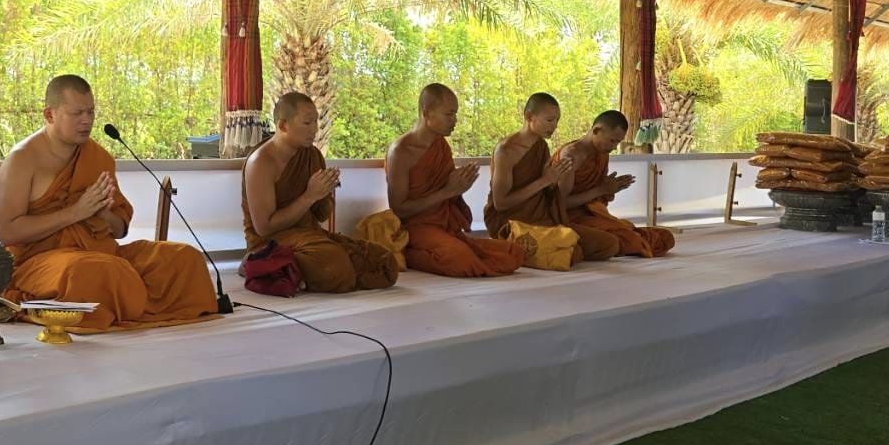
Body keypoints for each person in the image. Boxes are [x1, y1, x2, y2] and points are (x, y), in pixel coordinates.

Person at [0, 75, 218, 332]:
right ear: (49, 114)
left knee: (183, 258)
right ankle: (126, 302)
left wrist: (102, 213)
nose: (87, 120)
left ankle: (127, 304)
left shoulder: (98, 157)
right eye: (77, 113)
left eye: (91, 111)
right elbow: (8, 232)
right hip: (39, 262)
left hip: (104, 253)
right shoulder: (23, 160)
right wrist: (75, 213)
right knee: (95, 271)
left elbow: (120, 228)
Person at [241, 93, 397, 293]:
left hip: (309, 236)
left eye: (316, 121)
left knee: (385, 263)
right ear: (283, 126)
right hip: (270, 242)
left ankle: (288, 271)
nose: (315, 129)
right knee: (334, 265)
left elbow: (321, 215)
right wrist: (309, 196)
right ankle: (260, 263)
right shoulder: (261, 163)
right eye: (307, 122)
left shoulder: (311, 155)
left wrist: (326, 191)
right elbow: (264, 228)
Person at [384, 84, 524, 277]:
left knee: (514, 252)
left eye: (455, 114)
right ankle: (407, 251)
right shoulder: (401, 151)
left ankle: (443, 247)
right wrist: (448, 191)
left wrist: (460, 186)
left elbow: (448, 192)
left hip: (444, 226)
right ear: (427, 114)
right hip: (416, 228)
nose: (455, 120)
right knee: (461, 260)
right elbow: (399, 208)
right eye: (449, 114)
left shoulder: (441, 145)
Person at [482, 93, 616, 263]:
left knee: (608, 244)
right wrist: (544, 181)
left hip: (541, 219)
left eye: (557, 121)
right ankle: (512, 244)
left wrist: (562, 176)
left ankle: (529, 249)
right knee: (572, 253)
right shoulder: (506, 150)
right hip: (511, 223)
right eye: (550, 120)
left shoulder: (541, 146)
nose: (554, 126)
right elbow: (501, 203)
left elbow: (552, 193)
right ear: (529, 117)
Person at [555, 110, 676, 258]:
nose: (614, 147)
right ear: (596, 130)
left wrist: (610, 190)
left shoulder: (602, 154)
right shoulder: (571, 155)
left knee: (665, 236)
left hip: (591, 215)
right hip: (566, 218)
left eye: (618, 142)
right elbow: (559, 204)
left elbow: (597, 198)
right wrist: (601, 190)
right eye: (612, 141)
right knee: (622, 240)